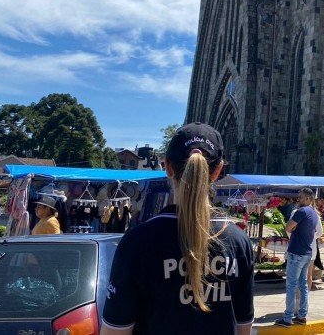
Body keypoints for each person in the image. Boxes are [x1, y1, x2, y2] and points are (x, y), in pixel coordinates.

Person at [100, 123, 255, 335]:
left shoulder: (138, 242)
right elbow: (243, 328)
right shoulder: (238, 242)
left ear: (168, 167)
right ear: (218, 171)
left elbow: (115, 331)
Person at [274, 187, 319, 327]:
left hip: (296, 253)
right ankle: (302, 315)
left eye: (300, 197)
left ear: (308, 199)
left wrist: (294, 228)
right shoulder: (314, 213)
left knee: (291, 286)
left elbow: (288, 227)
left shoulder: (301, 212)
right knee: (303, 285)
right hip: (307, 253)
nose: (297, 200)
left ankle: (287, 318)